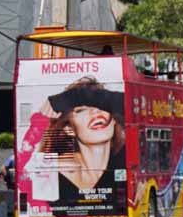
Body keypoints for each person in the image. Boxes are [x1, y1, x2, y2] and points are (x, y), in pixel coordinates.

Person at [36, 76, 125, 205]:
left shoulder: (126, 164)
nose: (94, 111)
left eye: (101, 106)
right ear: (69, 129)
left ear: (114, 120)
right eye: (81, 110)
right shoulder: (50, 170)